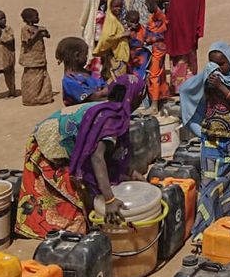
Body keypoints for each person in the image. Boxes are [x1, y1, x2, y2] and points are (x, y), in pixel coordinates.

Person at [15, 72, 146, 238]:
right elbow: (97, 157)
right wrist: (110, 200)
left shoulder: (114, 112)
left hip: (63, 138)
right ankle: (44, 232)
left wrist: (131, 173)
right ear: (134, 97)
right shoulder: (109, 119)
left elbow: (111, 153)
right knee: (68, 205)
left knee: (85, 196)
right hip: (48, 142)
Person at [178, 42, 230, 240]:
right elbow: (187, 89)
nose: (218, 68)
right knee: (209, 181)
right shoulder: (208, 80)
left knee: (228, 177)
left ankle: (228, 216)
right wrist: (207, 81)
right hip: (210, 137)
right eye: (213, 64)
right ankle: (203, 229)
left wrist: (221, 86)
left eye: (222, 64)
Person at [166, 0, 205, 93]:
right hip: (191, 31)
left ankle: (178, 88)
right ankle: (191, 85)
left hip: (179, 32)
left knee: (180, 60)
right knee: (190, 59)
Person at [58, 37, 110, 106]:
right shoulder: (70, 81)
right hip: (85, 112)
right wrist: (105, 91)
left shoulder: (86, 72)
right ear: (77, 56)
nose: (86, 57)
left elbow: (102, 83)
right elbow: (93, 97)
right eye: (85, 55)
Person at [20, 8, 54, 106]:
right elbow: (28, 42)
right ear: (29, 19)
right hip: (31, 59)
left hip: (40, 57)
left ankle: (43, 97)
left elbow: (48, 36)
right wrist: (38, 33)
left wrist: (45, 32)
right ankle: (30, 99)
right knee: (32, 79)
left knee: (42, 78)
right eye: (36, 16)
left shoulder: (38, 28)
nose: (38, 18)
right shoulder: (25, 29)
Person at [142, 0, 170, 110]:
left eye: (148, 5)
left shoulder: (160, 15)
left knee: (154, 74)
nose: (147, 7)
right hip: (154, 47)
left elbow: (154, 5)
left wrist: (158, 0)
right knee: (160, 73)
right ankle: (162, 98)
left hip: (159, 48)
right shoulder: (154, 16)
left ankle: (154, 105)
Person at [94, 0, 130, 79]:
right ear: (110, 6)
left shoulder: (116, 19)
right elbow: (107, 38)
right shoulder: (111, 21)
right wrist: (122, 35)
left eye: (120, 6)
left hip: (120, 55)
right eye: (116, 6)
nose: (119, 9)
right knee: (118, 80)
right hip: (116, 57)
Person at [125, 10, 150, 81]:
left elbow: (148, 38)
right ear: (126, 21)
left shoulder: (141, 28)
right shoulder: (124, 30)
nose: (134, 25)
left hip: (140, 54)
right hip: (128, 54)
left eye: (136, 22)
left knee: (140, 73)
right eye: (132, 22)